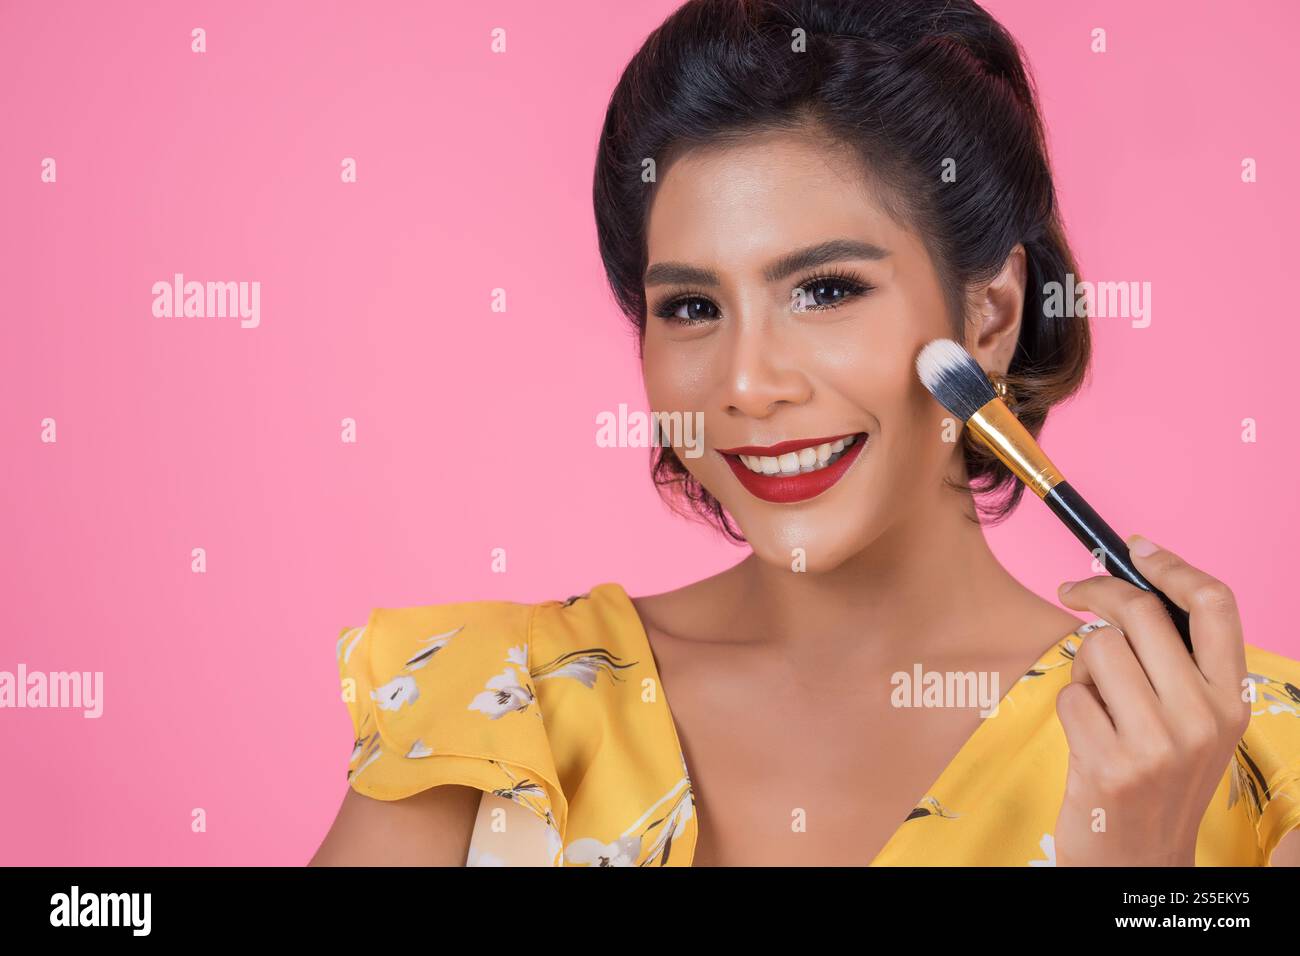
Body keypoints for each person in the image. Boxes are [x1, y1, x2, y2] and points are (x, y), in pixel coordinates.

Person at [310, 0, 1300, 867]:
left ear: (989, 315)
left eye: (825, 290)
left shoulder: (1255, 754)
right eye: (692, 307)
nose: (746, 384)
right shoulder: (494, 707)